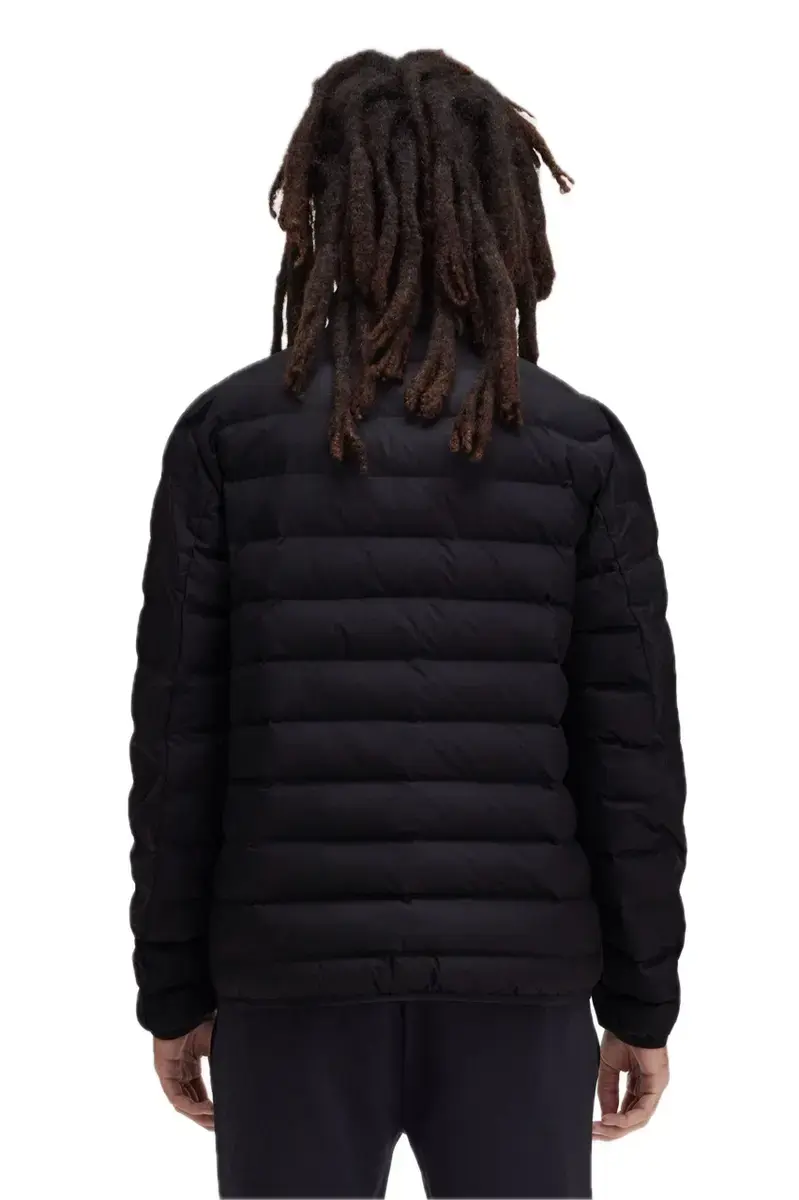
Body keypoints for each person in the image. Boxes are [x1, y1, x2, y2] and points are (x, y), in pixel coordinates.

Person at [129, 48, 686, 1200]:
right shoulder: (576, 445)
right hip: (520, 989)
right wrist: (640, 1000)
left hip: (288, 984)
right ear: (498, 206)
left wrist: (173, 987)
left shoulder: (229, 437)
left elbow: (178, 740)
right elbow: (629, 758)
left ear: (321, 201)